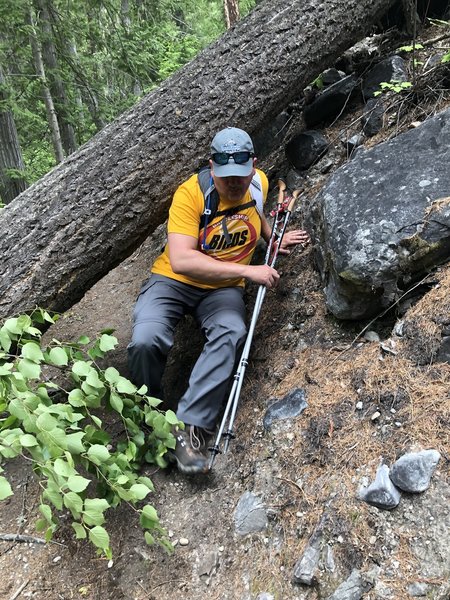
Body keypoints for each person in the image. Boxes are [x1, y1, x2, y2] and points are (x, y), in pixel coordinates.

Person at [128, 126, 309, 474]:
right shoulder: (191, 194)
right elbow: (181, 259)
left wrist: (272, 239)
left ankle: (191, 427)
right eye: (226, 178)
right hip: (173, 280)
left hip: (222, 288)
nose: (234, 184)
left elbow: (254, 213)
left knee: (230, 331)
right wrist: (248, 273)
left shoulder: (258, 183)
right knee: (145, 340)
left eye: (241, 176)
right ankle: (152, 421)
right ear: (212, 167)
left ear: (253, 165)